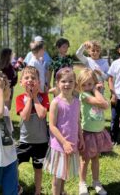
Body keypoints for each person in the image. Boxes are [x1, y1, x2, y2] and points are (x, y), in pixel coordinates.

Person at [44, 67, 84, 195]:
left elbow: (78, 122)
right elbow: (52, 126)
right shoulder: (56, 102)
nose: (67, 84)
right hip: (60, 146)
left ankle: (62, 192)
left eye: (70, 81)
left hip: (72, 143)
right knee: (57, 177)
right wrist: (64, 142)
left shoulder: (77, 102)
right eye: (63, 81)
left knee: (64, 173)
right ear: (57, 83)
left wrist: (81, 138)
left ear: (75, 84)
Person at [15, 66, 50, 195]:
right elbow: (25, 116)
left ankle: (37, 191)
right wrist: (29, 98)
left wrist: (35, 97)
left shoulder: (44, 97)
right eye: (27, 77)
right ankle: (16, 186)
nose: (30, 80)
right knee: (13, 164)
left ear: (39, 82)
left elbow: (41, 114)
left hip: (41, 142)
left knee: (38, 169)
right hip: (25, 141)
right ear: (21, 82)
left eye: (33, 78)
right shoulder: (20, 98)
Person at [77, 68, 111, 195]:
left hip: (98, 132)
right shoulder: (84, 95)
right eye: (84, 85)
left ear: (94, 82)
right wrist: (95, 89)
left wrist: (97, 91)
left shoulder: (96, 93)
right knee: (85, 159)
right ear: (80, 85)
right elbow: (104, 105)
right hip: (88, 132)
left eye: (90, 84)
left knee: (96, 158)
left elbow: (104, 103)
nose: (87, 87)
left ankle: (96, 182)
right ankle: (82, 183)